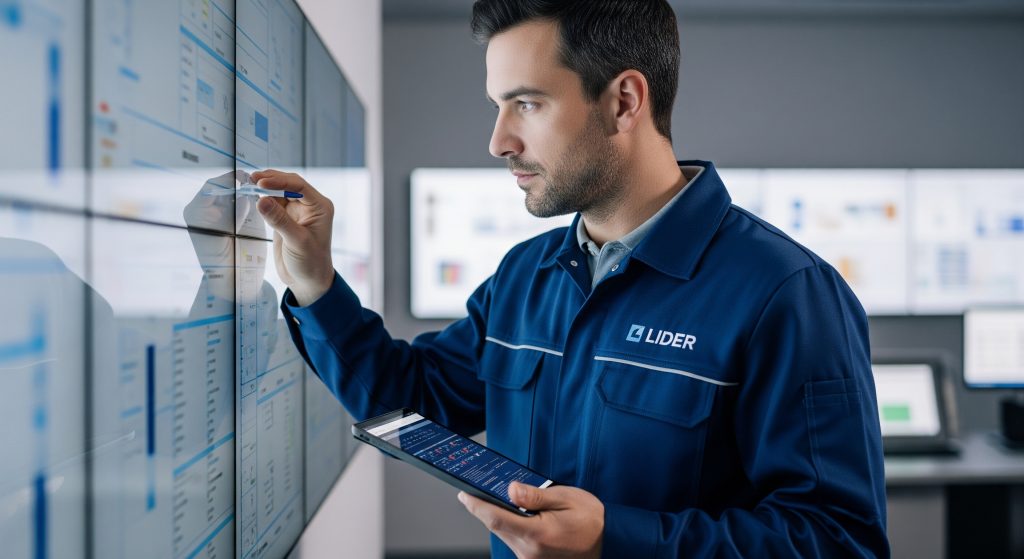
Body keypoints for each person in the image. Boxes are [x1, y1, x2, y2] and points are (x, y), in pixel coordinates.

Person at [252, 0, 889, 557]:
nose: (498, 141)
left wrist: (617, 541)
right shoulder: (525, 275)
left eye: (527, 104)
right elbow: (410, 402)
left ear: (624, 101)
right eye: (498, 107)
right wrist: (315, 281)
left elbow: (840, 540)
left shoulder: (787, 293)